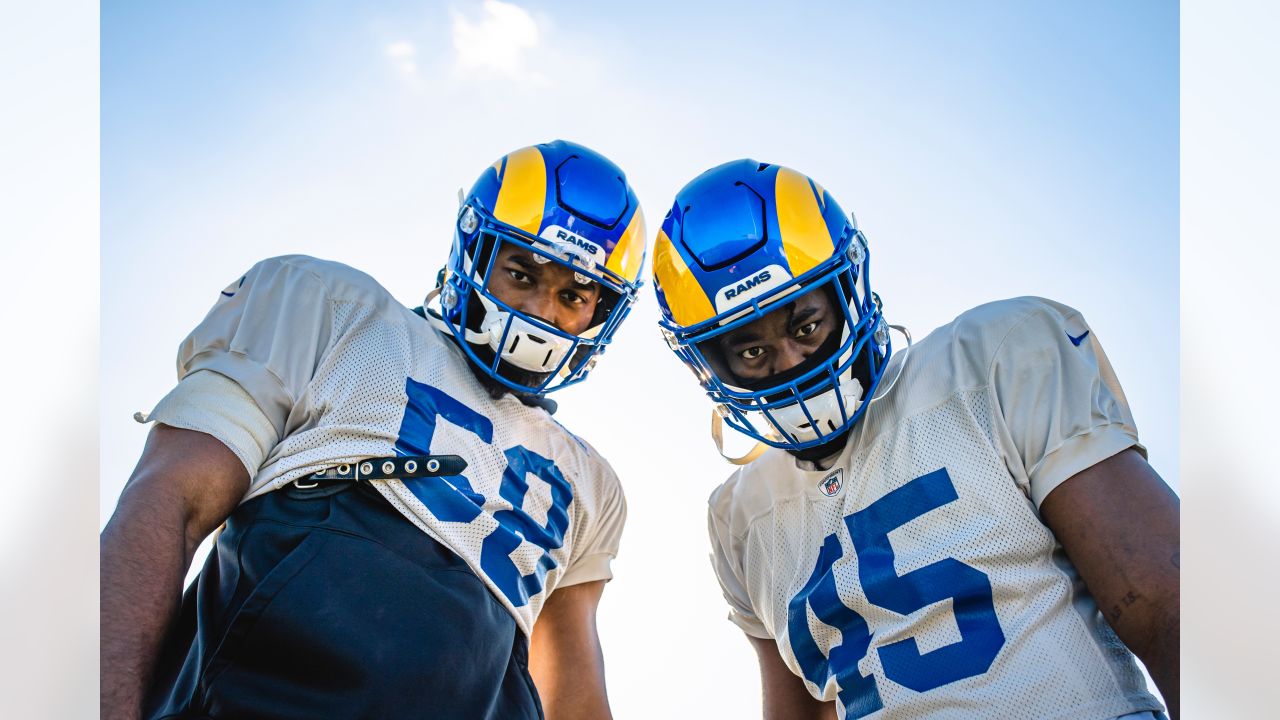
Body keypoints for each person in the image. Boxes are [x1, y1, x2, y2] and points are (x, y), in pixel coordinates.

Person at [100, 139, 648, 720]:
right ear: (475, 251)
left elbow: (570, 689)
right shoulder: (334, 306)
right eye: (520, 272)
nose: (542, 312)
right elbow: (168, 501)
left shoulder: (592, 482)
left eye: (572, 295)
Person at [652, 159, 1179, 719]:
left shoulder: (992, 355)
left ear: (845, 289)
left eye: (806, 326)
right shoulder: (738, 516)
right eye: (751, 352)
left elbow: (1163, 601)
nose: (792, 364)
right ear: (710, 365)